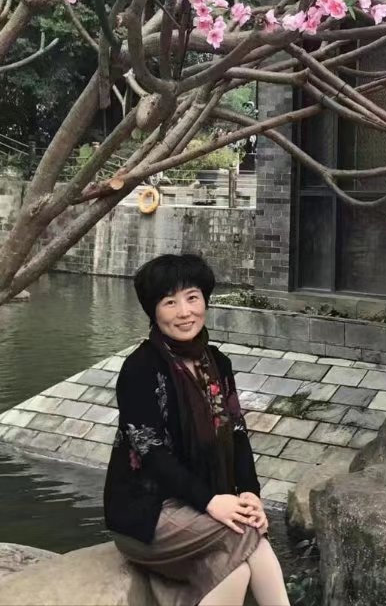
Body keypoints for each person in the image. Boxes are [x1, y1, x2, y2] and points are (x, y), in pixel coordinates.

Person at [104, 253, 290, 606]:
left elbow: (237, 433)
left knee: (236, 565)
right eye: (169, 302)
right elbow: (151, 453)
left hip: (199, 505)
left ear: (205, 300)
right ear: (153, 311)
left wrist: (249, 493)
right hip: (146, 513)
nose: (184, 312)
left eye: (192, 298)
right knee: (244, 533)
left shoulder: (217, 363)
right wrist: (211, 501)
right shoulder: (140, 368)